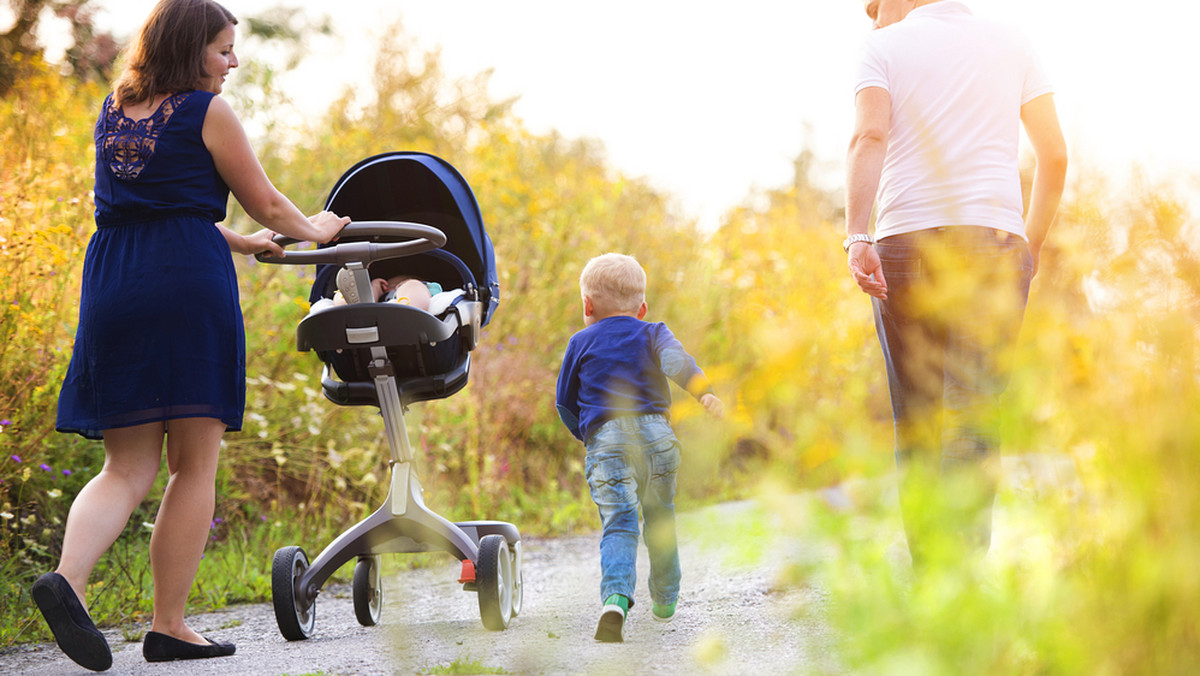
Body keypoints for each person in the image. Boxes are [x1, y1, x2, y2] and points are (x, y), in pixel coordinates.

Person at [35, 1, 350, 670]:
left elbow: (162, 207)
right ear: (189, 48)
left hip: (116, 280)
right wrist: (316, 229)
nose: (233, 62)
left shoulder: (117, 110)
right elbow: (266, 199)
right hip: (185, 286)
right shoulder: (207, 112)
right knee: (192, 465)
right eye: (224, 49)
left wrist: (243, 243)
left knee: (125, 466)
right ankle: (169, 625)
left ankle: (67, 580)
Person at [843, 0, 1068, 568]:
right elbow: (1055, 155)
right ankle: (963, 583)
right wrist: (1030, 242)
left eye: (874, 4)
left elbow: (869, 136)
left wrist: (856, 236)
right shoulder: (1013, 41)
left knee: (916, 419)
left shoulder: (881, 48)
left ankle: (931, 581)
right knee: (975, 414)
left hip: (903, 245)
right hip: (994, 246)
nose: (871, 16)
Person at [555, 253, 724, 642]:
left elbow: (565, 403)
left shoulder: (580, 341)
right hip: (658, 438)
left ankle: (615, 599)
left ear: (587, 305)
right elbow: (676, 362)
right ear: (642, 308)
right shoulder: (653, 332)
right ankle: (665, 599)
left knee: (620, 523)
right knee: (660, 518)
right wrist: (705, 394)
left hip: (607, 439)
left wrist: (589, 436)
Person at [330, 269, 442, 311]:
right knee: (364, 297)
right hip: (373, 311)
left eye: (393, 285)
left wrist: (406, 284)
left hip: (408, 301)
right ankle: (350, 305)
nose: (389, 288)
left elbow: (412, 287)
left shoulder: (420, 286)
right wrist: (376, 288)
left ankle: (407, 312)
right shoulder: (382, 297)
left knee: (412, 287)